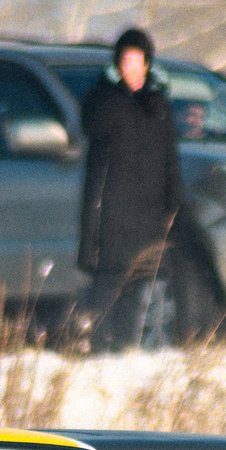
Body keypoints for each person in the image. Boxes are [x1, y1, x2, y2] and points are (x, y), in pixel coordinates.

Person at [76, 27, 186, 353]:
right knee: (108, 284)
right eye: (126, 62)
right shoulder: (105, 103)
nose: (132, 70)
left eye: (138, 62)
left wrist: (174, 207)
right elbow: (92, 125)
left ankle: (129, 351)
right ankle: (101, 351)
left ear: (148, 64)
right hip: (111, 214)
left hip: (149, 214)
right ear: (117, 65)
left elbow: (170, 162)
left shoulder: (159, 107)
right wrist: (109, 90)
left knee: (142, 285)